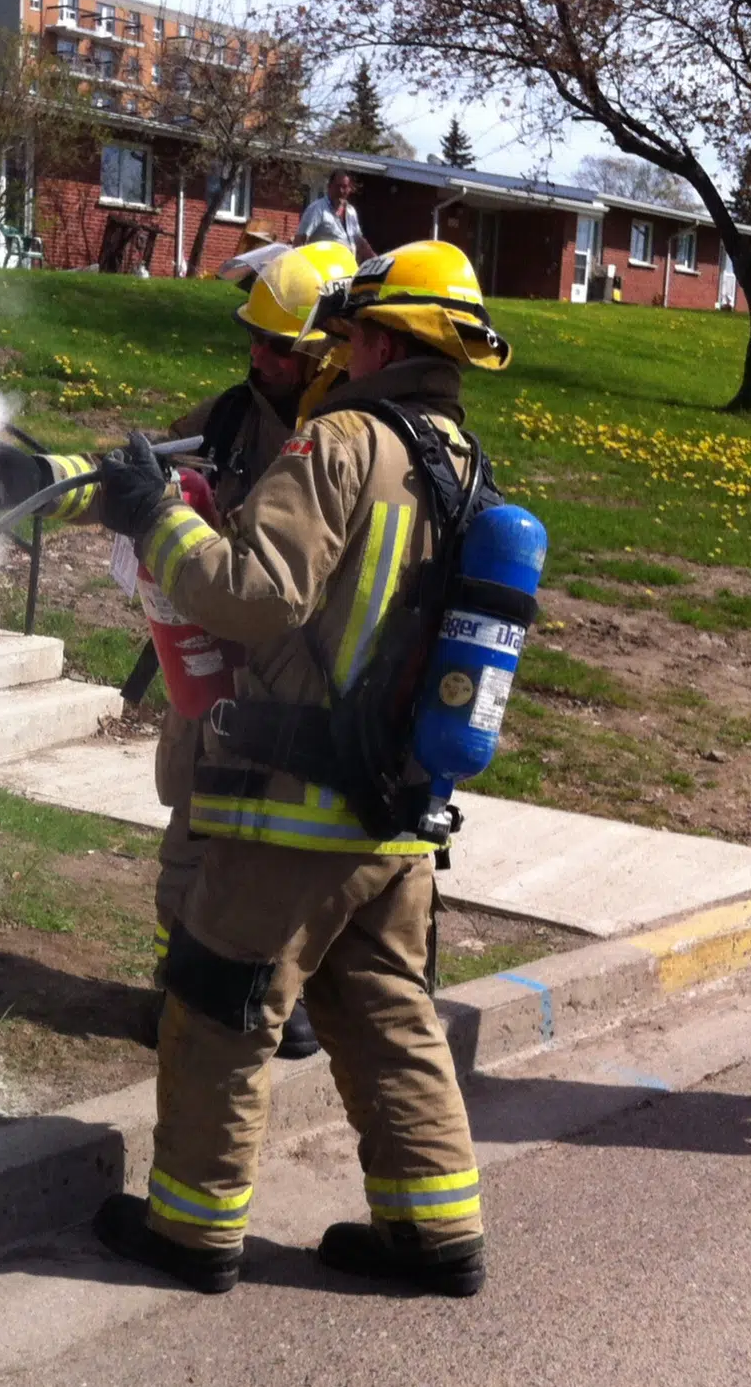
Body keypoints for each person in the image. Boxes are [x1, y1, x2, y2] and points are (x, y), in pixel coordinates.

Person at [82, 240, 513, 1299]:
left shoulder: (347, 441)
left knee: (219, 1007)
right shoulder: (463, 464)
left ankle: (191, 1229)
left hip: (297, 808)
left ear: (373, 337)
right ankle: (434, 1229)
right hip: (401, 811)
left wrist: (153, 515)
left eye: (349, 329)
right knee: (382, 1010)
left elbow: (252, 590)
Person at [0, 243, 357, 1061]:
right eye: (253, 338)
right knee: (189, 856)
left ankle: (276, 1001)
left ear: (327, 353)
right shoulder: (233, 416)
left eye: (279, 347)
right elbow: (135, 480)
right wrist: (34, 478)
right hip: (213, 675)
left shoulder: (345, 443)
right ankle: (190, 1003)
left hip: (300, 692)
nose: (257, 356)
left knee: (282, 865)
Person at [294, 171, 376, 261]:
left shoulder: (351, 212)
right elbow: (300, 241)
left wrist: (377, 261)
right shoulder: (317, 209)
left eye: (344, 187)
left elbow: (359, 242)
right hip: (323, 270)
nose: (341, 191)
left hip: (346, 270)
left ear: (350, 189)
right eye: (338, 186)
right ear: (329, 187)